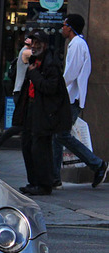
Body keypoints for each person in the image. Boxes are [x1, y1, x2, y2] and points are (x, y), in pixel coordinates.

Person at [51, 14, 107, 189]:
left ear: (71, 27)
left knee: (61, 135)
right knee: (57, 137)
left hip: (71, 98)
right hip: (70, 97)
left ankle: (98, 164)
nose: (63, 27)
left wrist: (55, 88)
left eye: (65, 24)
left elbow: (70, 74)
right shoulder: (77, 44)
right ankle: (54, 178)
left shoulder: (77, 45)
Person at [18, 30, 72, 196]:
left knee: (40, 148)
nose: (34, 47)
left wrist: (33, 73)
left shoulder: (50, 64)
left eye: (37, 43)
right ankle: (34, 181)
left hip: (44, 112)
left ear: (45, 45)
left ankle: (44, 183)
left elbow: (50, 88)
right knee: (28, 144)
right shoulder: (35, 62)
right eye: (32, 43)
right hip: (32, 108)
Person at [0, 35, 32, 163]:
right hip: (20, 94)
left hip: (23, 94)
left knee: (25, 126)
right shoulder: (26, 52)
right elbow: (40, 55)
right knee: (20, 125)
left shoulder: (26, 51)